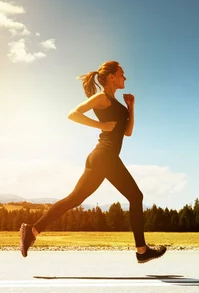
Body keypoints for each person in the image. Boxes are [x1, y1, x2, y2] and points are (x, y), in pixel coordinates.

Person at [19, 60, 167, 263]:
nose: (125, 77)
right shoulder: (102, 98)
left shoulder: (116, 103)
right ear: (112, 77)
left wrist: (131, 108)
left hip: (102, 158)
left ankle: (32, 230)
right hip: (104, 155)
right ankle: (141, 250)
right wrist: (100, 124)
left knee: (74, 199)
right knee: (135, 196)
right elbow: (73, 114)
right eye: (122, 73)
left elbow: (128, 132)